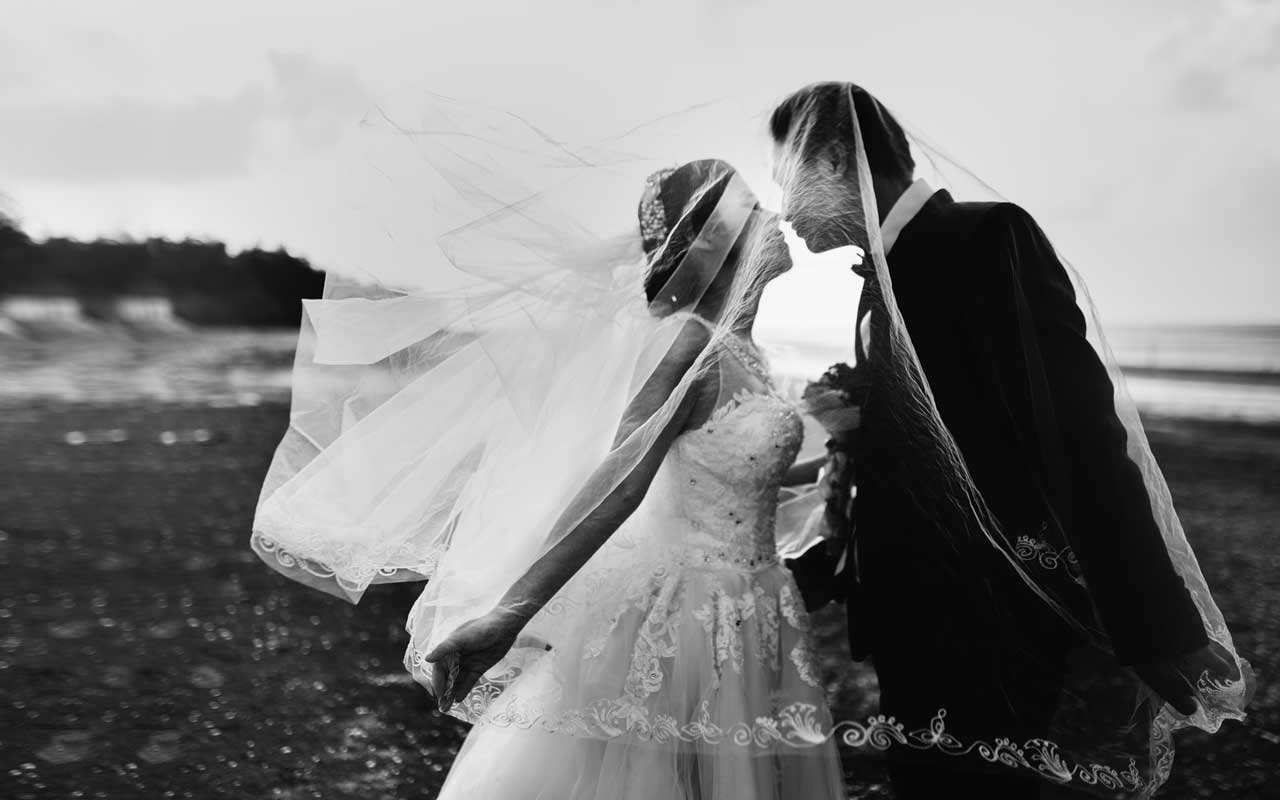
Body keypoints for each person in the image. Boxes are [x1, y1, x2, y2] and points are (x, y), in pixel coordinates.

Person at [771, 81, 1250, 799]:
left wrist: (1157, 624)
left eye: (787, 178)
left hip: (995, 633)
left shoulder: (987, 240)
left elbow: (1083, 437)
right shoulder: (879, 280)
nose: (785, 209)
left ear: (836, 160)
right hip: (915, 626)